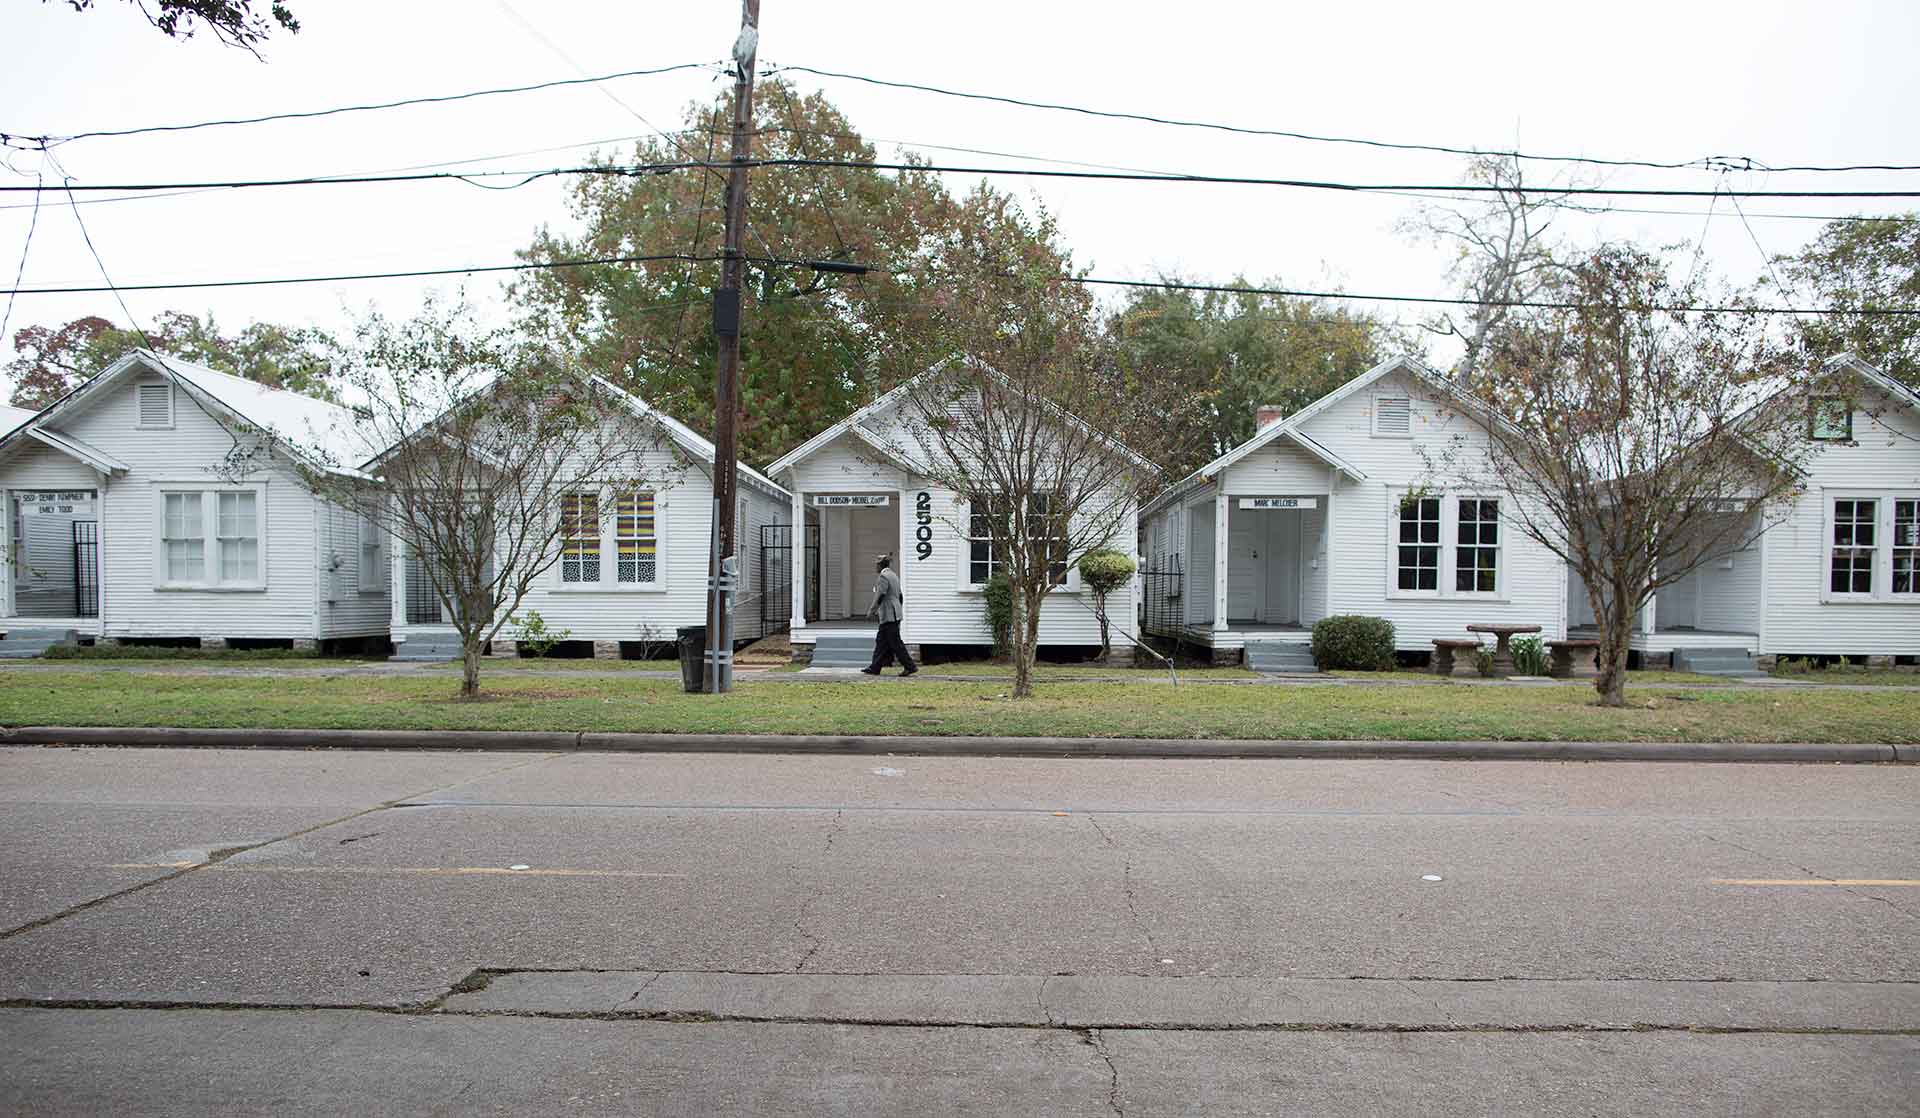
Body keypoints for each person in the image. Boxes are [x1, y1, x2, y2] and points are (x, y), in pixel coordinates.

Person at [861, 553, 916, 676]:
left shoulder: (883, 577)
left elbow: (880, 595)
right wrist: (898, 609)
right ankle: (875, 667)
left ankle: (910, 666)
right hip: (895, 613)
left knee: (895, 643)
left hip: (888, 614)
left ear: (881, 565)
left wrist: (872, 610)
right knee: (881, 641)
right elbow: (900, 595)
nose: (875, 567)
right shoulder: (894, 575)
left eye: (876, 564)